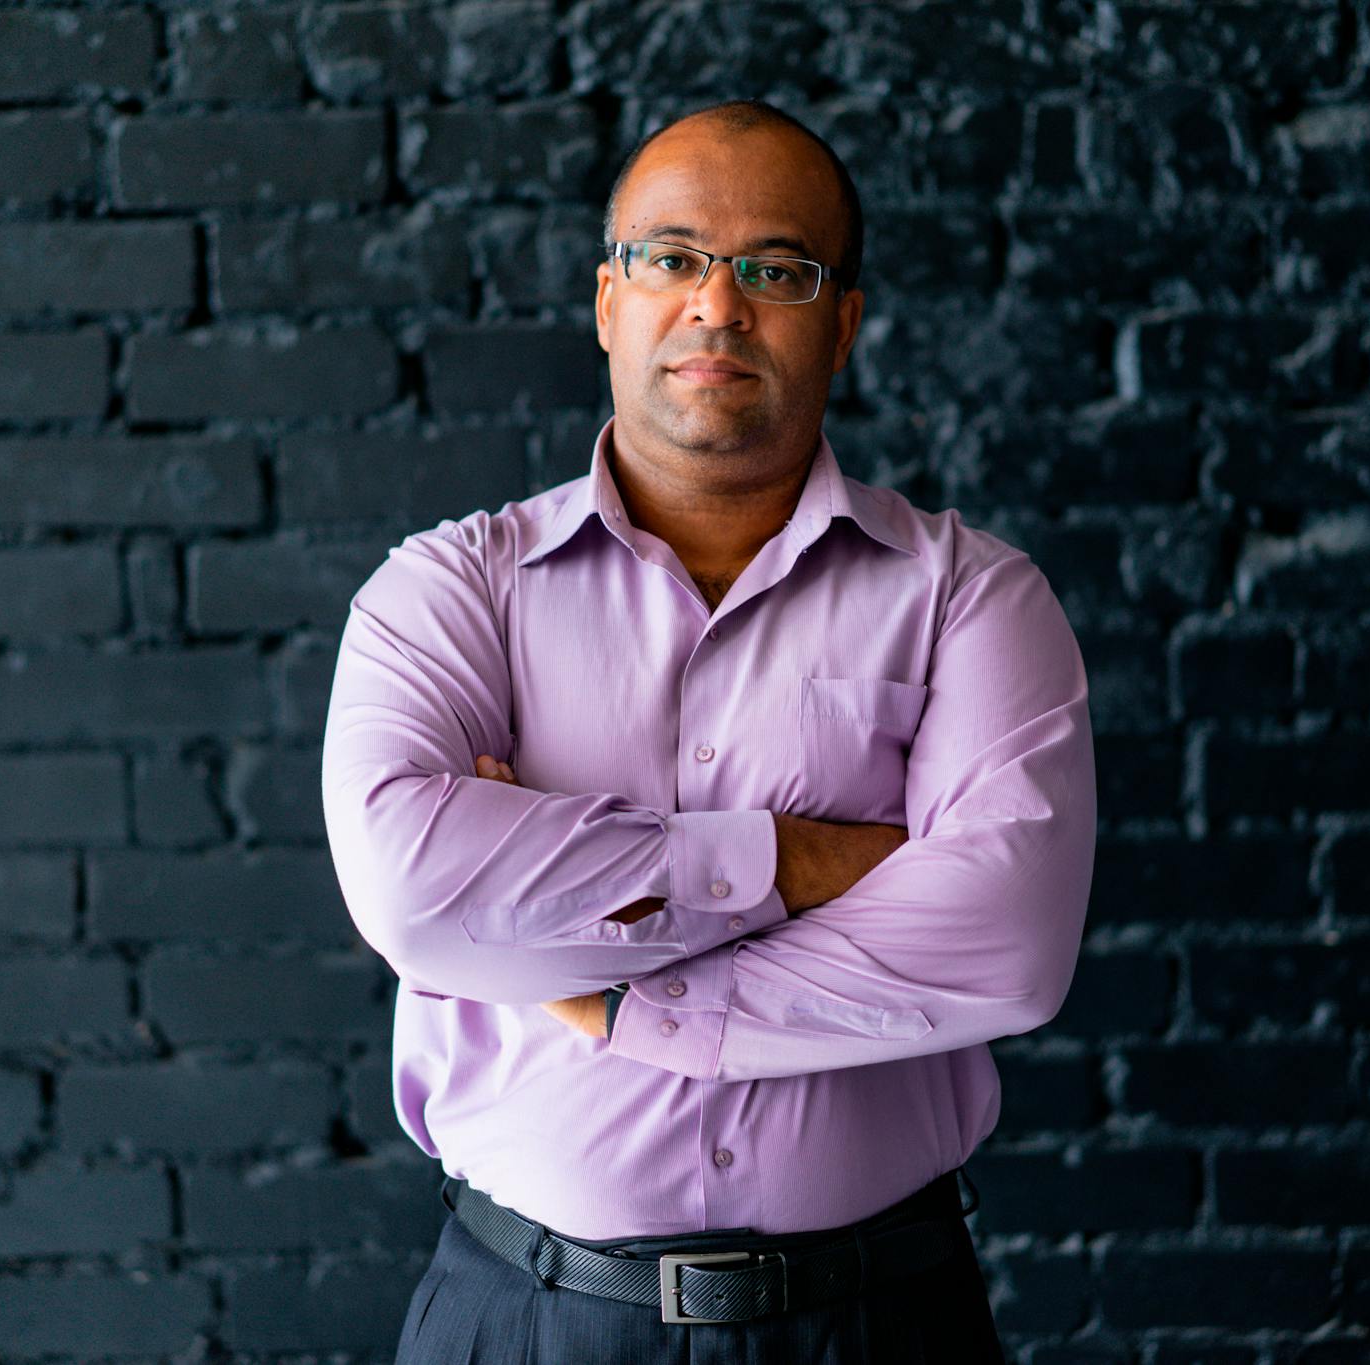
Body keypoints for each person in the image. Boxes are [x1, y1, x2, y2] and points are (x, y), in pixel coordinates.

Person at [321, 96, 1097, 1364]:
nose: (717, 305)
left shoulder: (971, 596)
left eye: (774, 269)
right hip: (527, 1319)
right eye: (672, 258)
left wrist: (608, 992)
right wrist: (798, 860)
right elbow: (414, 895)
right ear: (607, 301)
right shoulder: (451, 589)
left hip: (880, 1325)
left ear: (840, 321)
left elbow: (1005, 945)